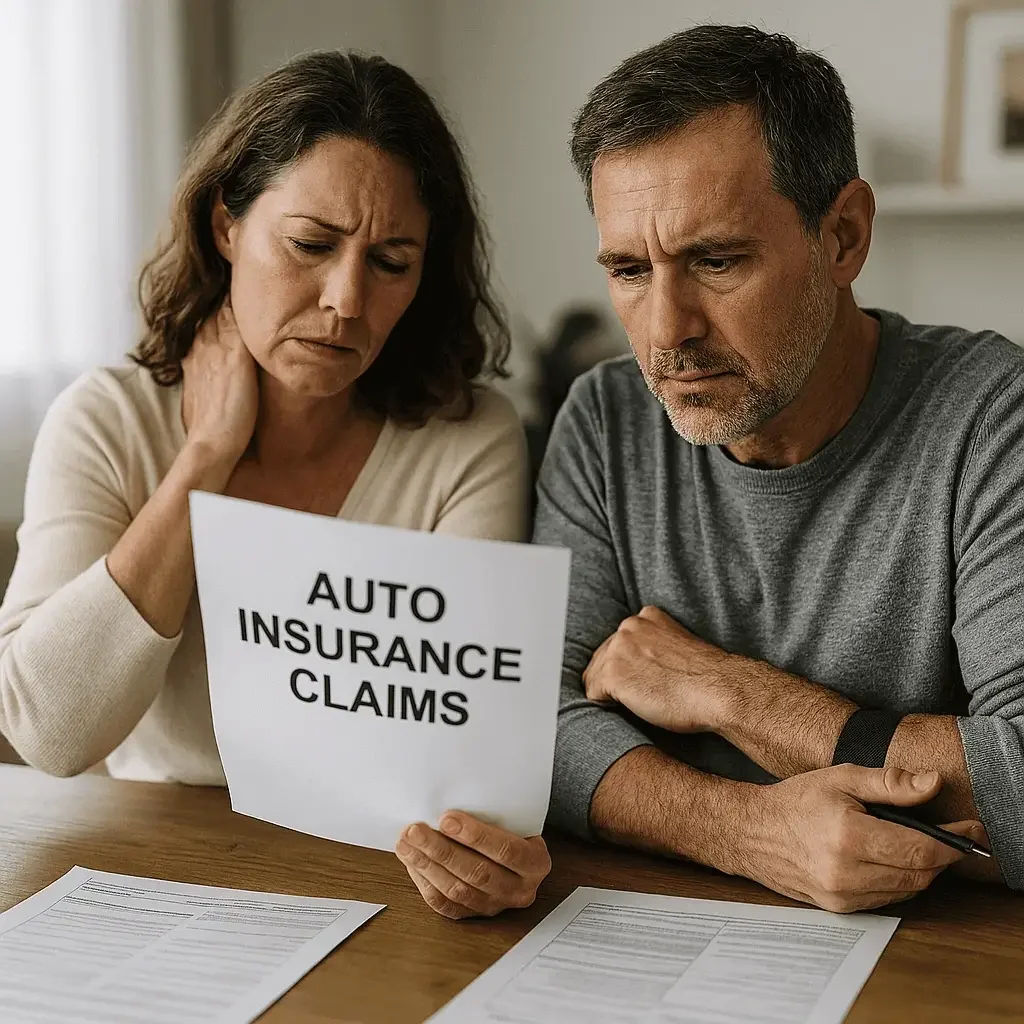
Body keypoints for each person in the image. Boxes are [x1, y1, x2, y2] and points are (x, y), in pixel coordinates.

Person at [0, 51, 549, 919]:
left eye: (392, 262)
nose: (345, 299)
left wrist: (488, 849)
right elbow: (49, 735)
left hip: (372, 879)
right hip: (145, 869)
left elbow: (455, 759)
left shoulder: (464, 440)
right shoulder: (106, 420)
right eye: (311, 245)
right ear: (227, 226)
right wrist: (204, 460)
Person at [535, 25, 1024, 911]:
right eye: (629, 270)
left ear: (843, 237)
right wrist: (750, 832)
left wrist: (726, 693)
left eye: (715, 261)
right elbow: (534, 728)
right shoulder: (605, 421)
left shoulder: (994, 420)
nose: (665, 331)